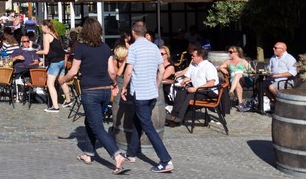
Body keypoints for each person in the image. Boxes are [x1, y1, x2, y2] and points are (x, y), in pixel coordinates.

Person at [59, 18, 127, 174]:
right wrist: (114, 84)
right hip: (105, 91)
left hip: (91, 91)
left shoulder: (81, 48)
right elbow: (111, 71)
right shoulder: (105, 48)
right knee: (90, 121)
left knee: (97, 126)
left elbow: (74, 72)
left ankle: (116, 155)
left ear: (85, 31)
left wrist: (62, 79)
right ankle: (89, 154)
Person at [121, 20, 174, 173]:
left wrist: (124, 87)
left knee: (147, 127)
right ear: (145, 32)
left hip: (140, 94)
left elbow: (128, 72)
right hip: (151, 93)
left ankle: (166, 160)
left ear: (133, 32)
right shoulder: (154, 48)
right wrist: (156, 85)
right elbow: (162, 71)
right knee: (138, 121)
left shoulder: (134, 49)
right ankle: (131, 153)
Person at [166, 47, 218, 125]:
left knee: (190, 95)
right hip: (197, 89)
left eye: (193, 56)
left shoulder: (208, 66)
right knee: (181, 92)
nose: (191, 57)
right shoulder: (193, 65)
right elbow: (188, 76)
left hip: (209, 91)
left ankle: (179, 119)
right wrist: (184, 81)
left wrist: (196, 89)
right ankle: (174, 115)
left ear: (200, 57)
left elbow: (211, 83)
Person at [35, 20, 72, 112]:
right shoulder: (55, 35)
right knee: (61, 80)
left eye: (42, 27)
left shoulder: (46, 36)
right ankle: (68, 100)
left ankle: (55, 106)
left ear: (45, 27)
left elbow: (46, 51)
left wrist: (35, 52)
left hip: (55, 62)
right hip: (62, 60)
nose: (41, 29)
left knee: (50, 84)